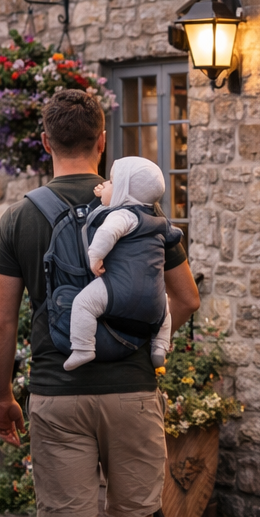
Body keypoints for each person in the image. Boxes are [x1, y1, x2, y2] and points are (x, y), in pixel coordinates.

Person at [0, 89, 200, 517]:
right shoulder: (141, 207)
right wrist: (139, 340)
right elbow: (184, 299)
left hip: (58, 390)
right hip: (132, 387)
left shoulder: (23, 217)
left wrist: (2, 396)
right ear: (102, 141)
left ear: (45, 143)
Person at [64, 155, 182, 372]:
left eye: (110, 183)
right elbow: (175, 234)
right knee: (164, 308)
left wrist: (95, 257)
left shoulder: (124, 216)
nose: (105, 185)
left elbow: (107, 232)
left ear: (123, 194)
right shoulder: (159, 222)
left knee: (83, 304)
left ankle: (82, 348)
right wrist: (104, 195)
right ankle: (160, 348)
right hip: (152, 297)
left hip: (119, 289)